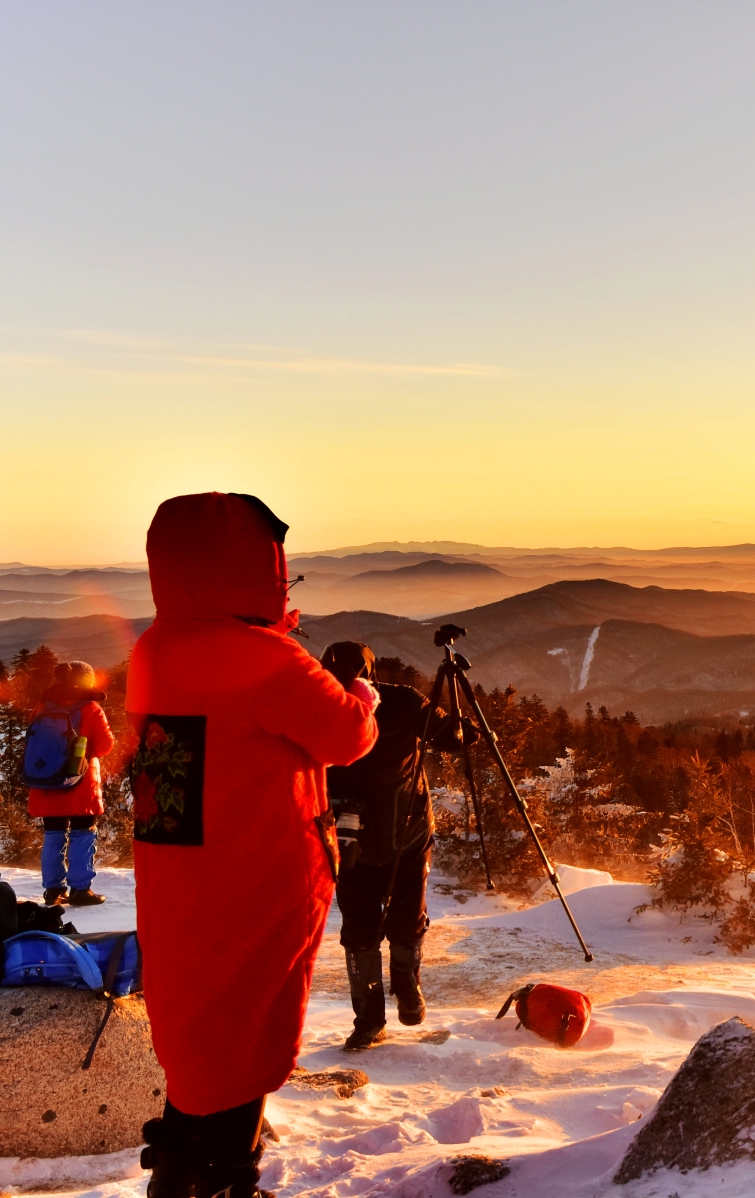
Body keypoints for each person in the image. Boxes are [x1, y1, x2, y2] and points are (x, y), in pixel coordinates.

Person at [127, 493, 377, 1198]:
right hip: (256, 870)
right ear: (257, 567)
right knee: (247, 1023)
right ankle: (227, 1179)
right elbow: (346, 738)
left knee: (197, 1024)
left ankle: (175, 1168)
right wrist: (363, 697)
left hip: (175, 876)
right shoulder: (264, 656)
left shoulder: (155, 647)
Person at [318, 641, 468, 1050]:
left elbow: (450, 739)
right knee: (361, 932)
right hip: (354, 843)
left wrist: (459, 724)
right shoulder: (318, 711)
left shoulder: (401, 703)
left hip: (406, 835)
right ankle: (369, 1019)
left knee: (403, 922)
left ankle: (404, 987)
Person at [27, 660, 115, 907]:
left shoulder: (42, 705)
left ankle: (53, 890)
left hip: (45, 780)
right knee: (82, 832)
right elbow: (106, 745)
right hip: (79, 779)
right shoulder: (91, 707)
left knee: (53, 833)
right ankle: (80, 889)